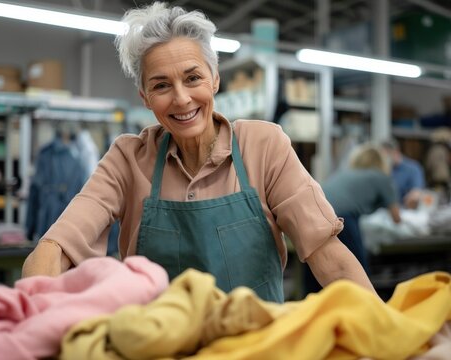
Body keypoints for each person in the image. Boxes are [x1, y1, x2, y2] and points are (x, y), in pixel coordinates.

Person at [21, 2, 376, 303]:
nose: (181, 98)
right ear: (145, 98)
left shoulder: (264, 146)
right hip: (161, 348)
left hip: (258, 347)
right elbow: (55, 248)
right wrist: (33, 317)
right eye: (161, 85)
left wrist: (388, 334)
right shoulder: (128, 159)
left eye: (193, 78)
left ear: (215, 79)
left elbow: (327, 254)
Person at [303, 144, 401, 294]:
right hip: (342, 219)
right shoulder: (381, 177)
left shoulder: (344, 174)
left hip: (312, 218)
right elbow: (396, 218)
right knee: (358, 278)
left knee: (316, 276)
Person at [381, 138, 425, 209]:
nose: (385, 159)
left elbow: (416, 192)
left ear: (396, 152)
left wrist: (413, 197)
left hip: (405, 211)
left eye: (387, 155)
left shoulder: (413, 168)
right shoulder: (383, 169)